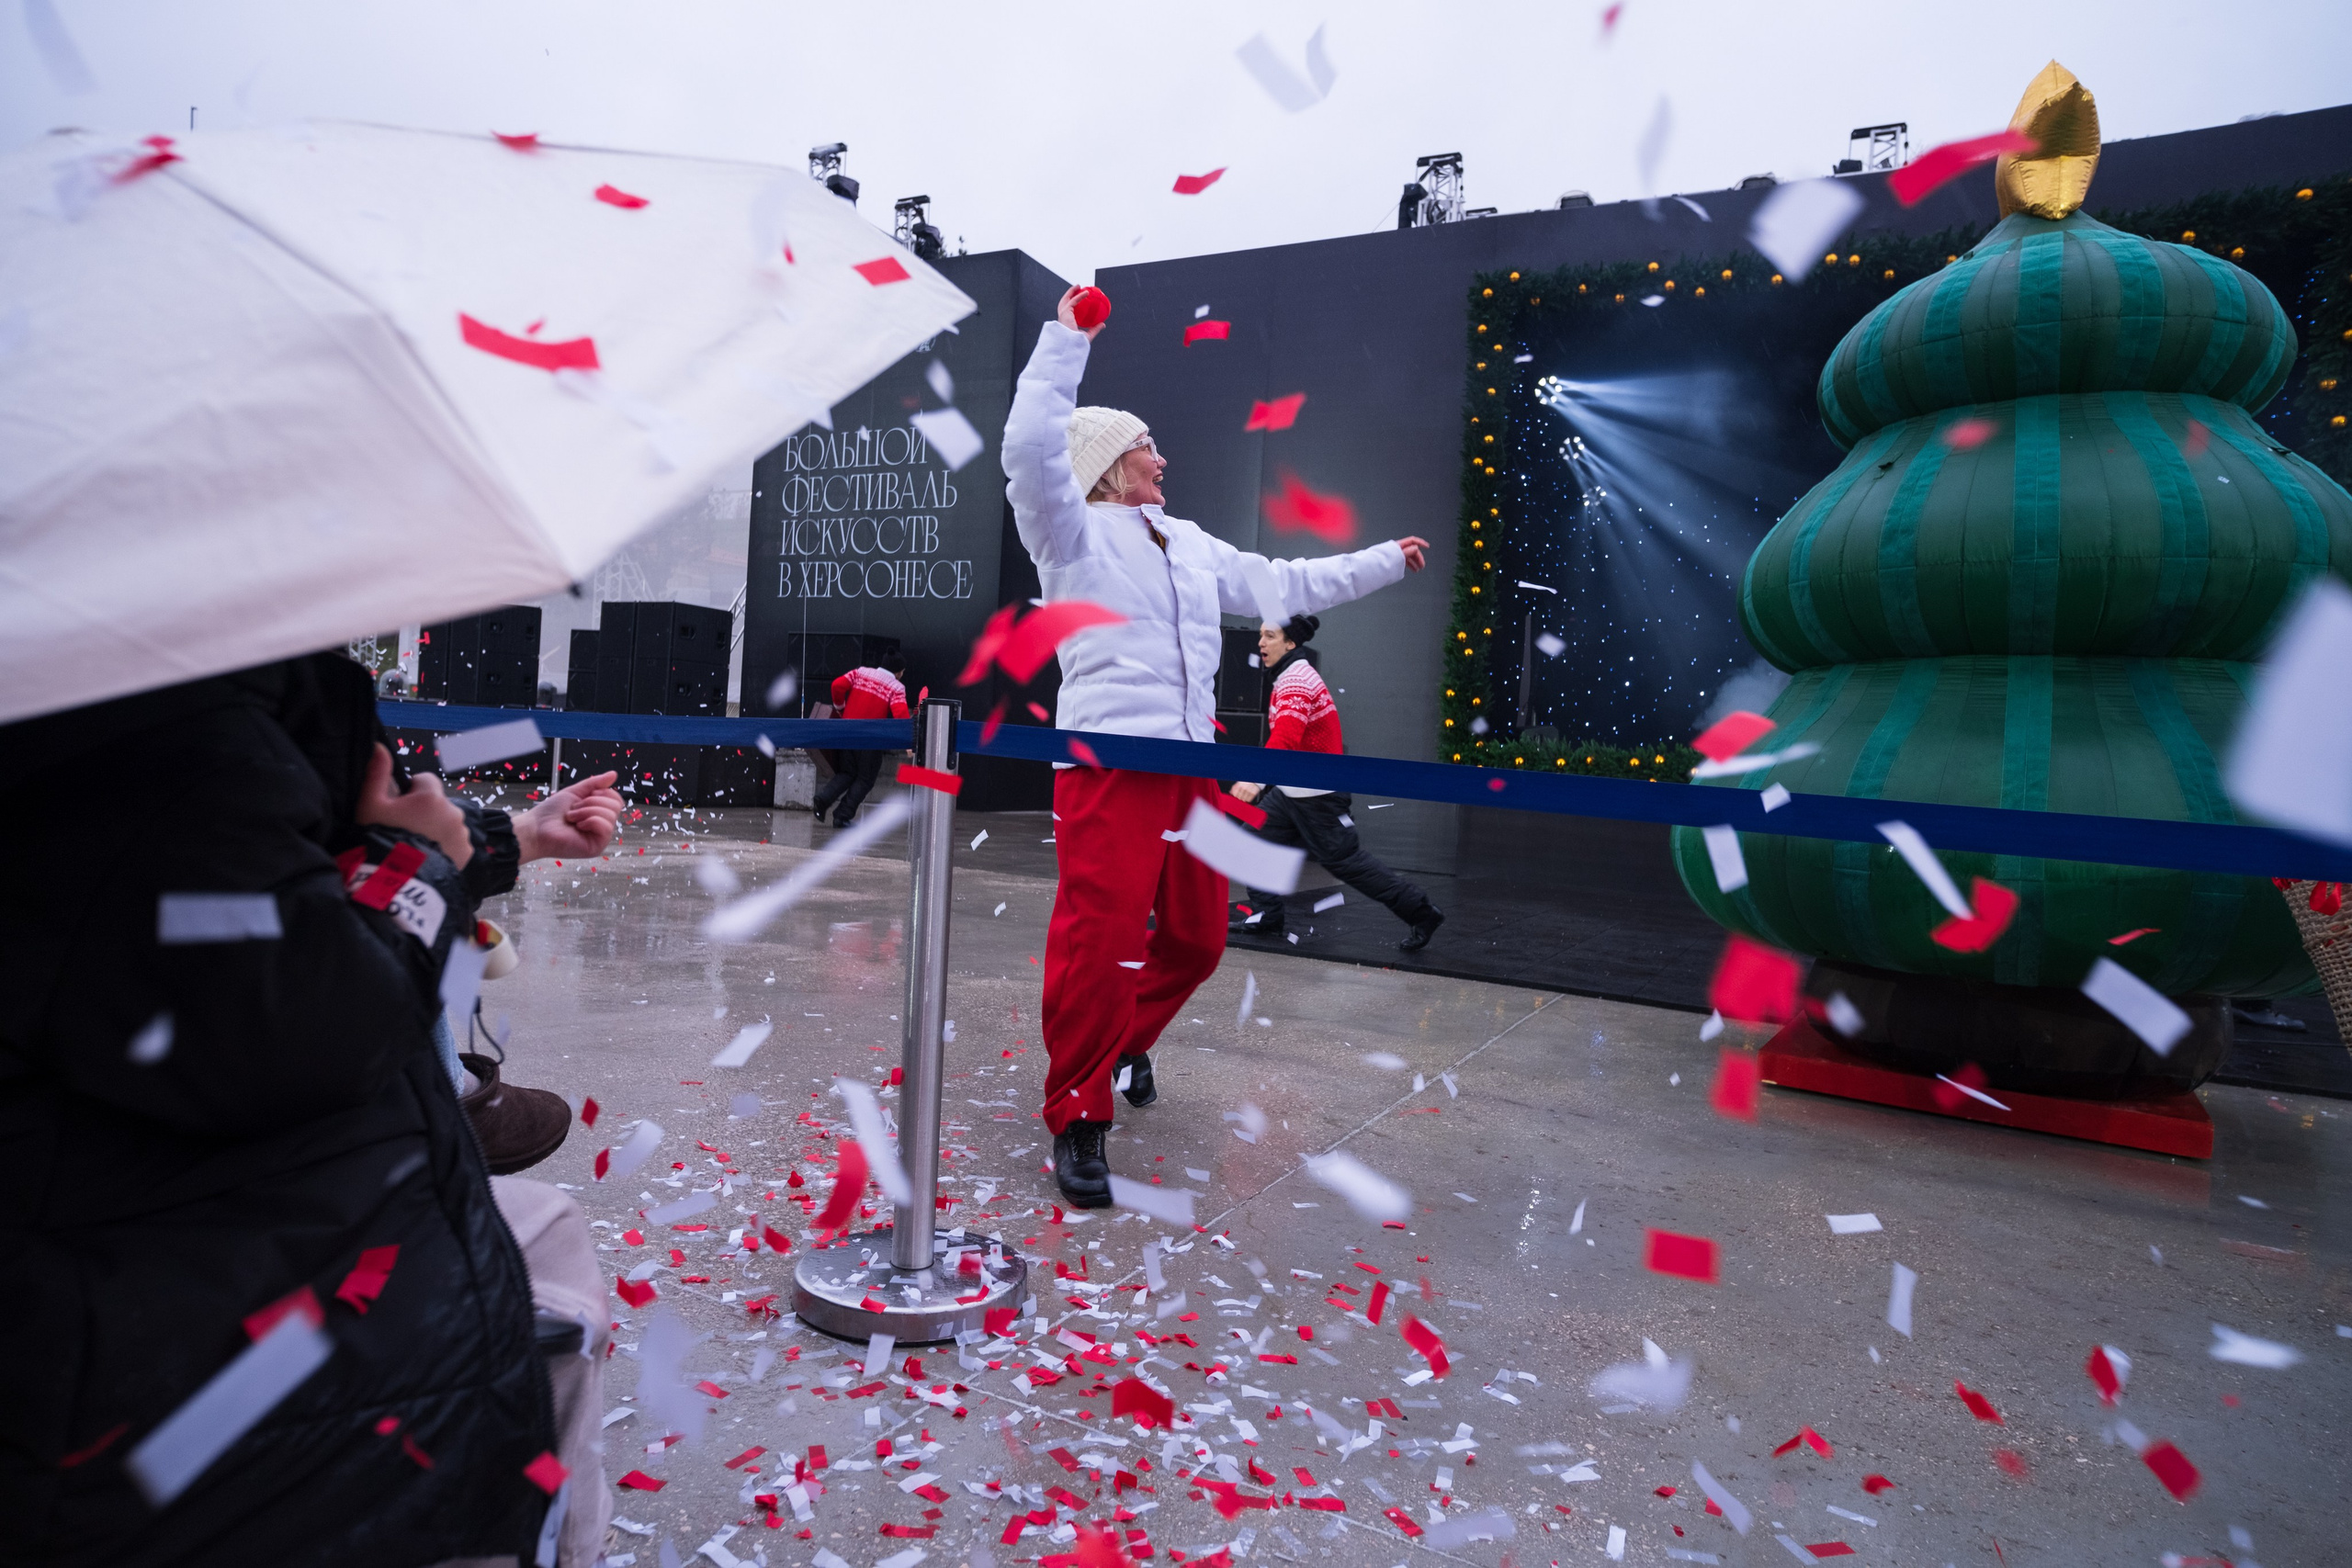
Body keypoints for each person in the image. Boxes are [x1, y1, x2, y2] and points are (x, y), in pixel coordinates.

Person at [2, 652, 620, 1566]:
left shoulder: (167, 693)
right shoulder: (154, 725)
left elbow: (302, 858)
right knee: (550, 1283)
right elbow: (303, 1012)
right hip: (162, 1317)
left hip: (191, 1208)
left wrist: (514, 835)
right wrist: (423, 868)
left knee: (547, 1233)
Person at [1002, 285, 1430, 1210]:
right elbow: (1028, 444)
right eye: (1148, 444)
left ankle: (1119, 1049)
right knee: (1099, 944)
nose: (1165, 455)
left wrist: (1383, 562)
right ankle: (1078, 1116)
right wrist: (1067, 337)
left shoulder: (1189, 541)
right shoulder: (1066, 530)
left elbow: (1280, 579)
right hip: (1110, 764)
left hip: (1191, 769)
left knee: (1196, 942)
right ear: (1112, 462)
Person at [1228, 615, 1444, 951]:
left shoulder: (1296, 680)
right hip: (1292, 790)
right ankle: (1267, 915)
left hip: (1317, 795)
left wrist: (1254, 782)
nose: (1260, 643)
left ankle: (1422, 912)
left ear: (1290, 644)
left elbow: (1285, 737)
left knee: (1346, 862)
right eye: (1261, 635)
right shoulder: (1289, 674)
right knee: (1250, 845)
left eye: (1269, 636)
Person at [811, 653, 910, 827]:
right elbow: (901, 715)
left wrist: (840, 707)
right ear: (898, 672)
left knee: (847, 773)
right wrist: (908, 742)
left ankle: (823, 799)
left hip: (847, 732)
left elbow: (837, 685)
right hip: (870, 740)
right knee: (865, 779)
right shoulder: (896, 687)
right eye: (902, 672)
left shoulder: (861, 672)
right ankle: (842, 816)